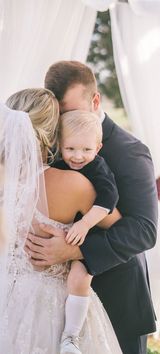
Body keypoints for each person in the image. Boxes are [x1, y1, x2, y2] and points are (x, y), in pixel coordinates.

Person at [26, 60, 158, 354]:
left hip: (117, 297)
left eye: (70, 111)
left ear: (94, 100)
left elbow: (143, 231)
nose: (63, 121)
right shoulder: (53, 142)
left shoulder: (130, 152)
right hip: (54, 302)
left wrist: (75, 249)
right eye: (57, 113)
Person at [0, 88, 122, 354]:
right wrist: (77, 246)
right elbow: (117, 225)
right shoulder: (74, 184)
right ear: (54, 135)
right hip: (54, 306)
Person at [53, 109, 120, 352]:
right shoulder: (56, 162)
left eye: (86, 150)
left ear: (98, 148)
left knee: (79, 277)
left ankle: (71, 337)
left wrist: (85, 224)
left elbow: (109, 198)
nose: (78, 156)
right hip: (66, 227)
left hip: (90, 229)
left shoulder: (98, 167)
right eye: (70, 149)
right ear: (60, 144)